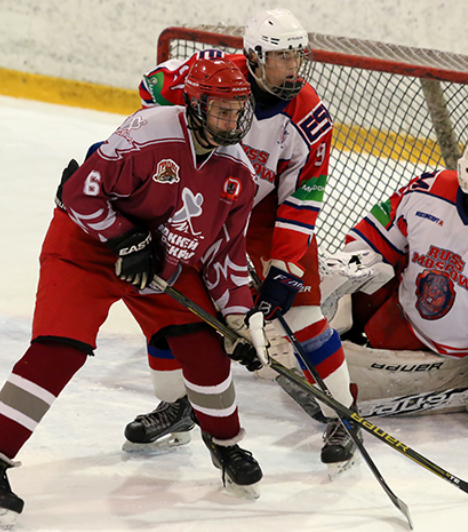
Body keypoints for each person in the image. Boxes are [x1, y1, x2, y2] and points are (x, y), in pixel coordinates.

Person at [0, 57, 269, 529]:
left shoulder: (239, 174)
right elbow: (80, 192)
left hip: (159, 261)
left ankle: (224, 444)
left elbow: (225, 255)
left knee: (205, 346)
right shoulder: (148, 132)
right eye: (220, 110)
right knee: (60, 349)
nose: (231, 120)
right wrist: (124, 236)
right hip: (88, 246)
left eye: (237, 109)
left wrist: (240, 317)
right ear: (194, 104)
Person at [128, 7, 359, 472]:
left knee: (303, 314)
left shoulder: (309, 118)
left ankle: (343, 414)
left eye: (297, 58)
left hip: (266, 216)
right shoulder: (211, 74)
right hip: (203, 201)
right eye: (280, 59)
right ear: (252, 57)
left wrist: (283, 271)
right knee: (168, 302)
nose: (292, 69)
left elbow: (301, 202)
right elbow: (151, 87)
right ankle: (177, 406)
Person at [317, 131, 468, 431]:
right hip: (400, 322)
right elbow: (369, 243)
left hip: (458, 356)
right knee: (351, 269)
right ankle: (305, 335)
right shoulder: (427, 191)